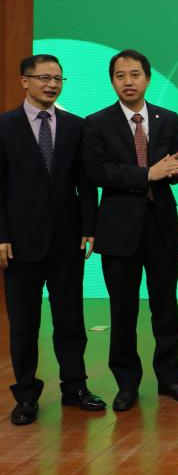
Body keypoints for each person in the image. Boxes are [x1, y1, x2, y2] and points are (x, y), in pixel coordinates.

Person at [83, 49, 178, 411]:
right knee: (123, 310)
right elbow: (97, 172)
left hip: (162, 226)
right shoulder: (96, 123)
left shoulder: (168, 118)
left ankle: (170, 378)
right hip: (118, 229)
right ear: (112, 81)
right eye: (120, 75)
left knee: (166, 308)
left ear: (148, 78)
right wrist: (148, 173)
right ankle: (127, 383)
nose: (128, 81)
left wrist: (174, 170)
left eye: (135, 74)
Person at [0, 55, 104, 425]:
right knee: (24, 326)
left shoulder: (76, 126)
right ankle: (26, 396)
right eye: (44, 78)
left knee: (71, 320)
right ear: (24, 81)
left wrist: (89, 227)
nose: (52, 84)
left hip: (67, 239)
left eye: (58, 78)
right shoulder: (4, 125)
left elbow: (86, 183)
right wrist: (1, 235)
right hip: (20, 242)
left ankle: (75, 388)